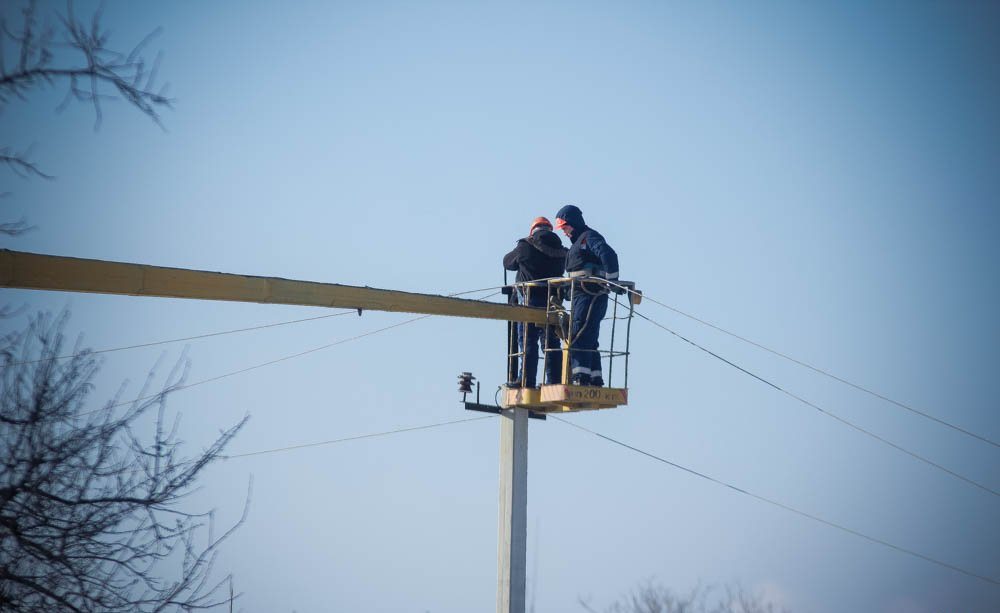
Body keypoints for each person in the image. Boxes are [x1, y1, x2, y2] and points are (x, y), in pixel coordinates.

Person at [553, 204, 619, 387]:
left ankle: (581, 377)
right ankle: (595, 377)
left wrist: (613, 280)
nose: (564, 232)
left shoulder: (589, 237)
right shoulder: (578, 242)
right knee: (588, 337)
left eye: (565, 228)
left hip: (590, 294)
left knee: (579, 334)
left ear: (573, 223)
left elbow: (608, 254)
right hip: (581, 293)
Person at [503, 216, 567, 387]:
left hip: (529, 299)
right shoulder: (561, 250)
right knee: (551, 343)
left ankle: (526, 380)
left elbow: (507, 262)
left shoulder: (525, 245)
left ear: (533, 230)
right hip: (552, 302)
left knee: (527, 340)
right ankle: (553, 381)